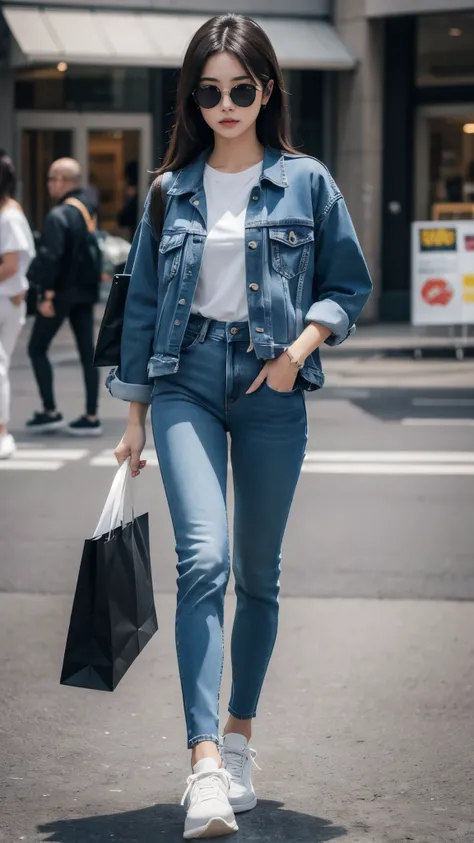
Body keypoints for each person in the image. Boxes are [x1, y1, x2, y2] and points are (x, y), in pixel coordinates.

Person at [108, 14, 372, 840]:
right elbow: (145, 307)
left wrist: (296, 351)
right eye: (210, 91)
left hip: (269, 384)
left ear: (267, 90)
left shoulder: (306, 182)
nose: (226, 104)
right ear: (193, 97)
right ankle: (203, 765)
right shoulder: (168, 190)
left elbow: (347, 284)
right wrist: (134, 416)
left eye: (241, 89)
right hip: (184, 378)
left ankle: (240, 735)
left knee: (259, 573)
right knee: (203, 559)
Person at [26, 158, 102, 436]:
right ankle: (92, 415)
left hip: (60, 293)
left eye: (50, 179)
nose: (48, 185)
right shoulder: (87, 209)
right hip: (85, 291)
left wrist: (46, 294)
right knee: (87, 353)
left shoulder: (58, 216)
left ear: (60, 179)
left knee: (36, 348)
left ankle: (50, 411)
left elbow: (51, 257)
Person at [0, 152, 35, 459]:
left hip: (6, 299)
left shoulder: (9, 215)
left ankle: (1, 431)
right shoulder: (10, 211)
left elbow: (10, 265)